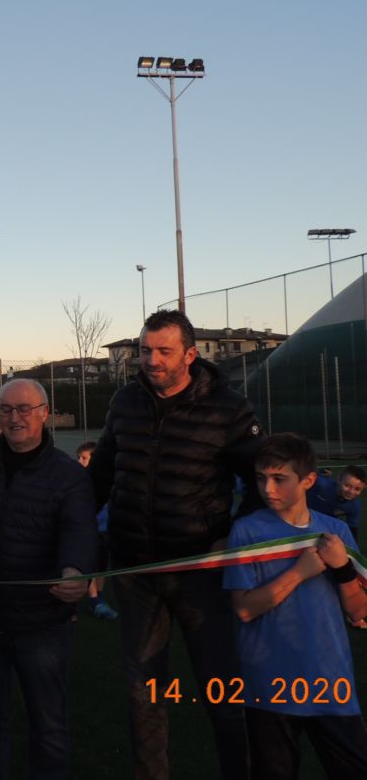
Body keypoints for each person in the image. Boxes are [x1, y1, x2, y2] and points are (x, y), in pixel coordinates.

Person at [89, 309, 262, 779]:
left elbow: (261, 486)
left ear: (189, 354)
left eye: (163, 351)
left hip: (200, 574)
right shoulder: (125, 401)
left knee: (220, 689)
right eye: (145, 350)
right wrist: (76, 533)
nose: (151, 360)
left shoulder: (229, 409)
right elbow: (101, 476)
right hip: (135, 574)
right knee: (144, 694)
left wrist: (232, 535)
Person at [0, 378, 98, 779]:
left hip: (42, 623)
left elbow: (80, 531)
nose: (15, 418)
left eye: (24, 409)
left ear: (44, 414)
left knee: (48, 723)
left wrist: (75, 571)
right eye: (6, 410)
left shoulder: (68, 475)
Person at [223, 433, 367, 779]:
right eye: (261, 479)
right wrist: (301, 572)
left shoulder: (335, 532)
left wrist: (343, 567)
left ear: (308, 480)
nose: (268, 489)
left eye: (279, 479)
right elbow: (244, 609)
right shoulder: (245, 532)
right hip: (269, 683)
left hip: (330, 680)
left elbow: (360, 612)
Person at [76, 441, 118, 621]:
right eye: (79, 457)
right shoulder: (78, 481)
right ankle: (93, 599)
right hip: (88, 531)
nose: (80, 461)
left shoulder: (107, 480)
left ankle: (98, 597)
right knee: (90, 565)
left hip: (105, 530)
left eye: (84, 458)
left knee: (102, 566)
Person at [307, 465, 365, 541]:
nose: (351, 492)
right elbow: (306, 474)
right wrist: (320, 471)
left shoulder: (354, 505)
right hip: (305, 515)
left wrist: (353, 550)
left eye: (357, 489)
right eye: (347, 485)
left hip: (324, 524)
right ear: (339, 480)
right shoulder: (322, 485)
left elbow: (352, 530)